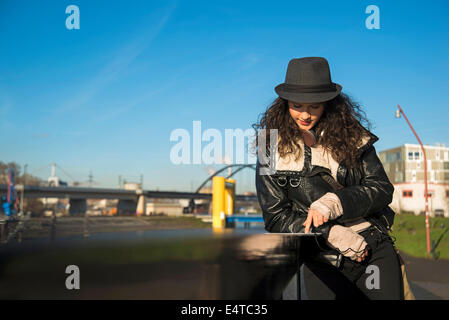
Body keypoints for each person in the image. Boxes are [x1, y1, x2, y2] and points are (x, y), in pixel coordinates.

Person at [253, 57, 404, 300]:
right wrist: (329, 232)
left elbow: (382, 188)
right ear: (284, 104)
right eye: (297, 105)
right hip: (321, 255)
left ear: (329, 104)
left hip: (373, 246)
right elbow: (275, 216)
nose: (304, 115)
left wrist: (336, 202)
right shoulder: (268, 146)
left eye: (314, 106)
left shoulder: (354, 136)